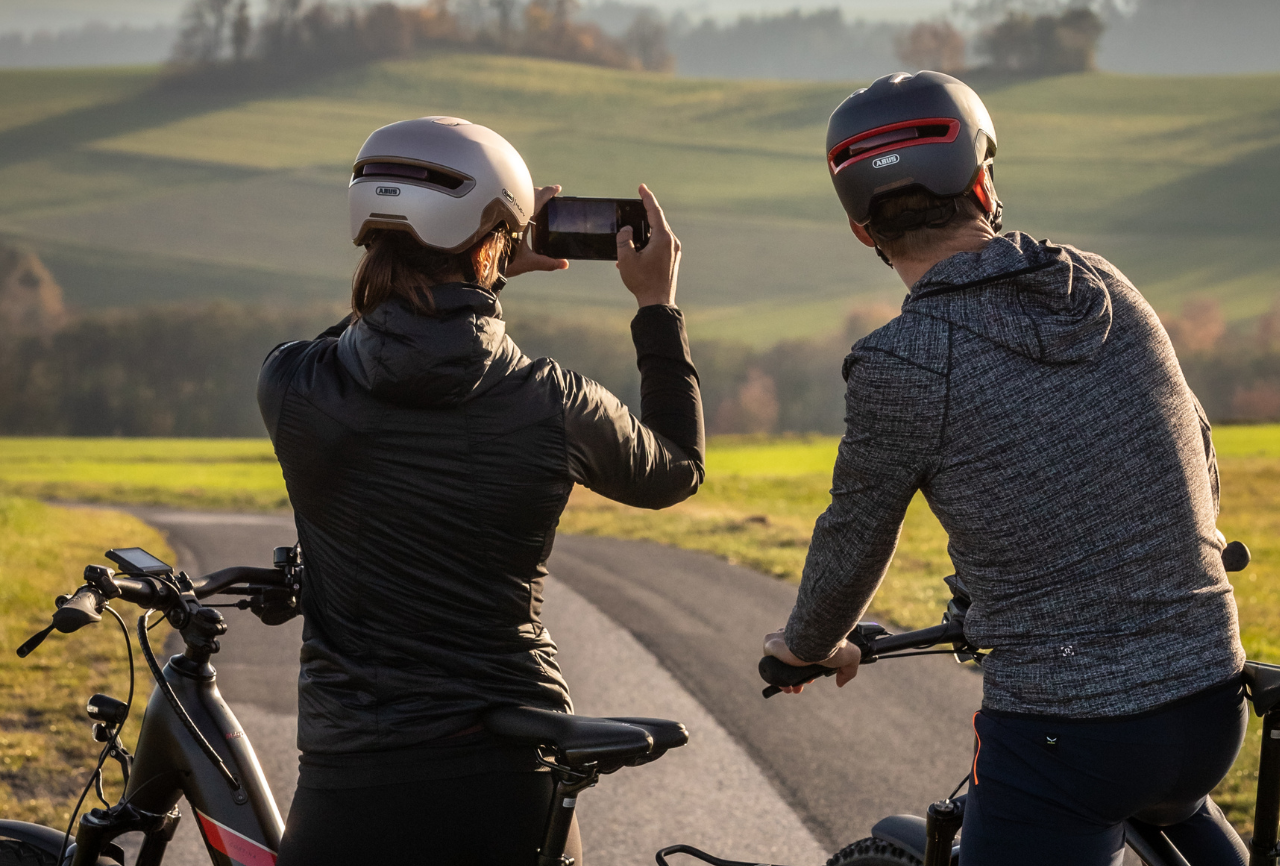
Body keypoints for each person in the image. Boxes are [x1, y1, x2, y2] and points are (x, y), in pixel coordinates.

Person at [761, 72, 1248, 865]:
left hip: (1068, 733)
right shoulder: (1105, 284)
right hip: (1210, 698)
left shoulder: (904, 361)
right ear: (985, 185)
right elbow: (1196, 448)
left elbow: (854, 536)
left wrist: (805, 647)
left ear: (860, 229)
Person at [259, 116, 704, 865]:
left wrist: (482, 265)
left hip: (351, 779)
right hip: (508, 770)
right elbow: (676, 469)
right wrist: (657, 305)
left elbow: (364, 341)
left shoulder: (291, 383)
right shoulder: (553, 401)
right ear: (492, 240)